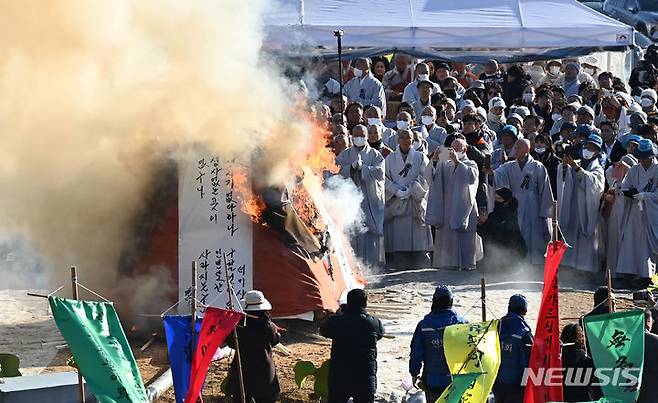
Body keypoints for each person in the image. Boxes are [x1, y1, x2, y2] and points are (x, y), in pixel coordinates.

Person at [492, 139, 553, 265]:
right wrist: (490, 173)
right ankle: (518, 260)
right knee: (517, 231)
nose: (516, 150)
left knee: (533, 232)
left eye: (519, 148)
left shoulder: (537, 166)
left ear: (527, 150)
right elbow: (497, 175)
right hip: (515, 204)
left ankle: (535, 258)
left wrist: (545, 211)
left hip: (533, 204)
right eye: (515, 148)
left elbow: (545, 190)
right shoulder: (509, 166)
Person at [427, 137, 483, 270]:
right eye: (452, 148)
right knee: (446, 236)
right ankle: (446, 263)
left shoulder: (471, 164)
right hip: (445, 207)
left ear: (465, 149)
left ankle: (466, 264)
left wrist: (457, 162)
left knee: (464, 237)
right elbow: (429, 177)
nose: (454, 151)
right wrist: (434, 159)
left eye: (458, 148)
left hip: (464, 207)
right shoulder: (443, 163)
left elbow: (471, 178)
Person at [320, 289, 384, 403]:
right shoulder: (374, 323)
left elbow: (323, 330)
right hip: (364, 378)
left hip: (340, 377)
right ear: (365, 304)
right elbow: (379, 335)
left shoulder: (337, 321)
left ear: (348, 302)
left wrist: (338, 314)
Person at [336, 125, 385, 266]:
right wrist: (350, 168)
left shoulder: (375, 155)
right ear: (351, 136)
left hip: (368, 199)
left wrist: (363, 169)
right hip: (349, 199)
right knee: (352, 230)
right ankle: (352, 263)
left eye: (362, 135)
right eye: (356, 135)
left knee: (369, 230)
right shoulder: (344, 155)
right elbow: (334, 172)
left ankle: (372, 264)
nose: (359, 138)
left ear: (367, 136)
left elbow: (380, 173)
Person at [409, 285, 468, 403]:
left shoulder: (424, 325)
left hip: (432, 381)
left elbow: (416, 353)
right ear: (451, 301)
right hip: (456, 381)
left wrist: (414, 373)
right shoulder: (462, 323)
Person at [384, 128, 433, 266]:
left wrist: (412, 187)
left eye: (408, 137)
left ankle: (420, 260)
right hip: (397, 201)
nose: (405, 140)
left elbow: (426, 176)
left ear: (413, 140)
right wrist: (395, 190)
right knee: (400, 237)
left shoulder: (421, 157)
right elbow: (384, 178)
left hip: (414, 200)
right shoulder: (390, 158)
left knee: (418, 237)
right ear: (398, 140)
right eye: (402, 137)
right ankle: (399, 261)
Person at [558, 134, 605, 273]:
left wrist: (577, 169)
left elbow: (595, 185)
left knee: (586, 242)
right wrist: (565, 167)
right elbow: (564, 178)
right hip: (573, 206)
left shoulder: (598, 168)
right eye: (586, 146)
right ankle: (570, 269)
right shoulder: (576, 161)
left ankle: (586, 271)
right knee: (571, 235)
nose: (587, 150)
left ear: (596, 151)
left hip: (586, 208)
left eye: (591, 148)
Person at [616, 139, 658, 287]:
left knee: (646, 245)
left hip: (651, 213)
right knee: (630, 241)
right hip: (634, 211)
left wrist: (646, 196)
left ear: (651, 156)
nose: (642, 160)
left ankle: (646, 276)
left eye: (645, 157)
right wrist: (628, 192)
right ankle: (628, 272)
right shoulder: (635, 169)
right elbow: (626, 186)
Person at [227, 290, 280, 403]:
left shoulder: (238, 326)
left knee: (241, 397)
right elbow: (275, 340)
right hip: (264, 370)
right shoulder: (268, 326)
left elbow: (231, 343)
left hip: (242, 368)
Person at [603, 154, 637, 284]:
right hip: (616, 212)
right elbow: (611, 181)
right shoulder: (612, 175)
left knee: (627, 242)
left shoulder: (633, 176)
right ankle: (613, 273)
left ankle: (627, 274)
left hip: (629, 213)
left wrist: (628, 170)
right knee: (613, 242)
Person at [493, 295, 533, 403]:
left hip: (495, 383)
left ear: (509, 308)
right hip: (515, 386)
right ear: (525, 311)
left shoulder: (496, 327)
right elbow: (529, 362)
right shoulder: (524, 332)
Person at [560, 323, 594, 401]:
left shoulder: (558, 355)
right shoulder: (583, 356)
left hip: (563, 396)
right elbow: (591, 377)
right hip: (582, 396)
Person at [531, 134, 561, 198]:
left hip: (549, 188)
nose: (538, 144)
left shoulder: (553, 158)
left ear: (547, 145)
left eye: (541, 142)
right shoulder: (530, 156)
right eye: (537, 142)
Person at [638, 309, 658, 403]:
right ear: (648, 322)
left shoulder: (625, 341)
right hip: (652, 392)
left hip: (629, 391)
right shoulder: (655, 340)